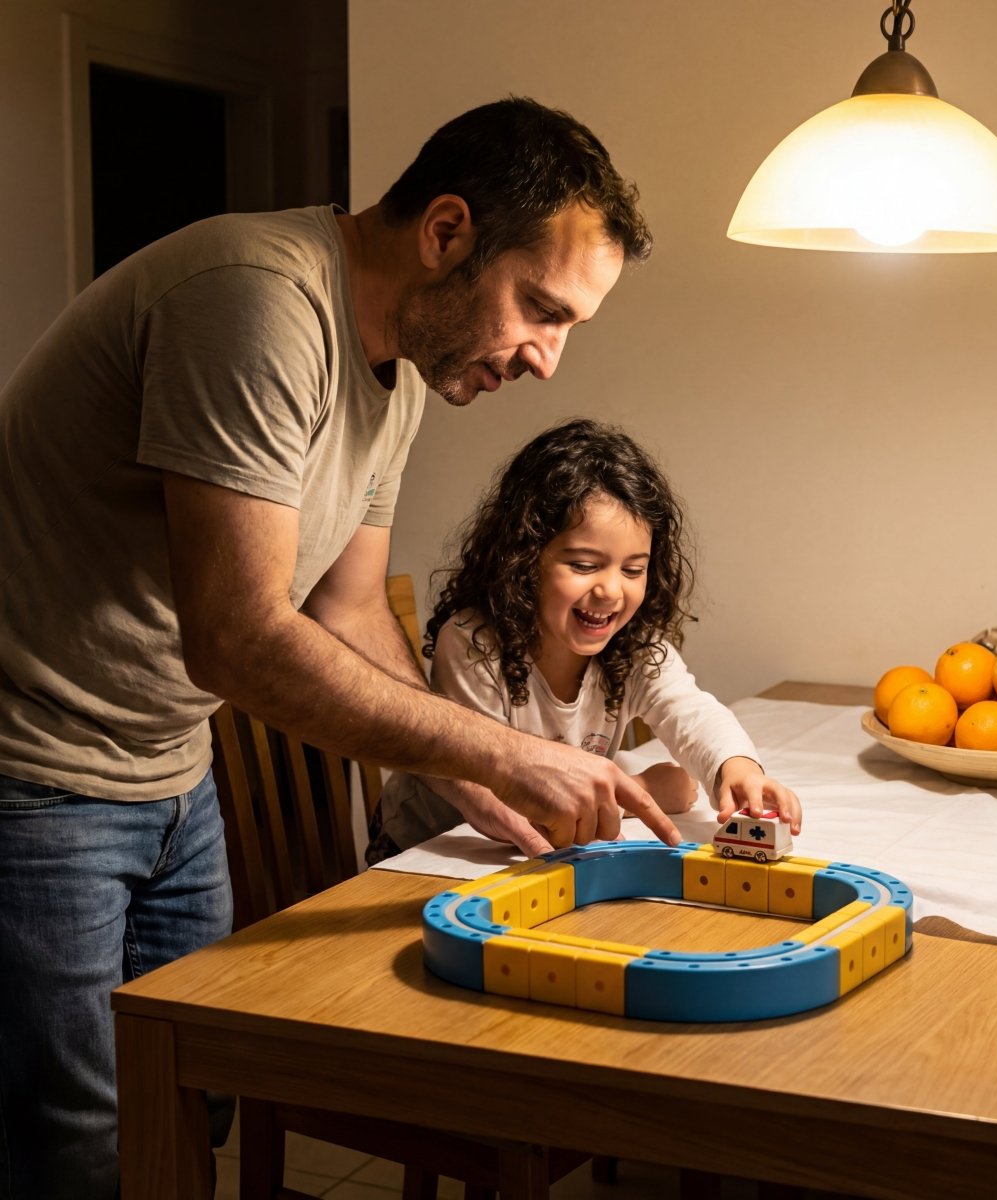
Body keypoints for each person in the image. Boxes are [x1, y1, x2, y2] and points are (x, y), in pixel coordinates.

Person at [0, 97, 680, 1200]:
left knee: (189, 1101)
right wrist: (510, 754)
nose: (548, 361)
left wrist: (468, 766)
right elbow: (238, 637)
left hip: (171, 773)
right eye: (539, 309)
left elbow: (354, 610)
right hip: (35, 775)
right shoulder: (255, 301)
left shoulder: (398, 373)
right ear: (447, 232)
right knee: (72, 1143)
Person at [368, 418, 802, 863]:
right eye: (583, 565)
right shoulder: (473, 644)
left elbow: (691, 712)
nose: (611, 591)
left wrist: (738, 767)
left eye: (633, 570)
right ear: (524, 557)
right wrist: (639, 789)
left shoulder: (633, 647)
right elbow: (498, 802)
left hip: (539, 859)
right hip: (427, 854)